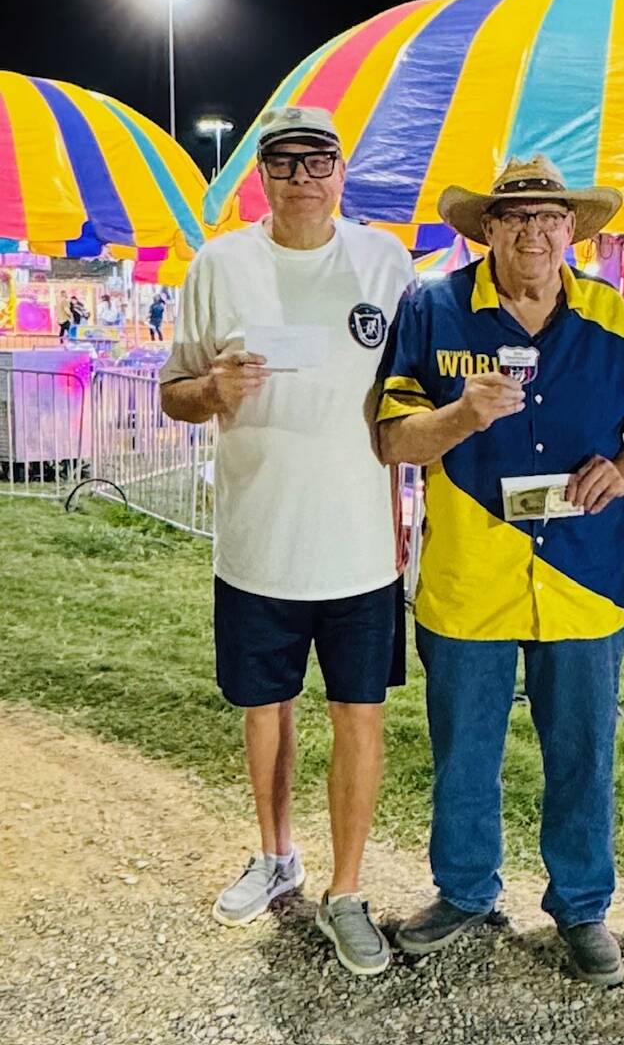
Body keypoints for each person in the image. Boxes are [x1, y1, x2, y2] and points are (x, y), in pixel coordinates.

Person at [377, 156, 624, 987]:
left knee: (583, 752)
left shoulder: (611, 315)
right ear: (488, 230)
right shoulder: (433, 309)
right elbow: (394, 438)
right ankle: (465, 890)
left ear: (573, 230)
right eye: (517, 218)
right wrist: (458, 416)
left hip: (584, 578)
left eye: (550, 217)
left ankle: (582, 906)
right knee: (463, 749)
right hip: (471, 575)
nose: (535, 231)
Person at [159, 106, 414, 978]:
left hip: (359, 549)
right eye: (285, 162)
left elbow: (405, 402)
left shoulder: (386, 262)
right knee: (265, 714)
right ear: (259, 174)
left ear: (343, 170)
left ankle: (346, 892)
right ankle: (276, 857)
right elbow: (173, 392)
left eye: (320, 161)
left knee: (360, 716)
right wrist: (213, 386)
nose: (304, 177)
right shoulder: (220, 265)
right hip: (256, 541)